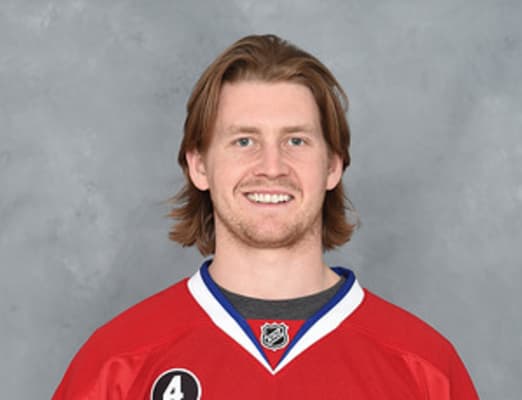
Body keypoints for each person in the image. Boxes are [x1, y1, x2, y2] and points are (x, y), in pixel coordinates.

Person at [53, 34, 479, 399]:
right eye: (244, 141)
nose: (272, 167)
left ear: (333, 166)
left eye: (296, 141)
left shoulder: (425, 368)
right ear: (199, 166)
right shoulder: (116, 363)